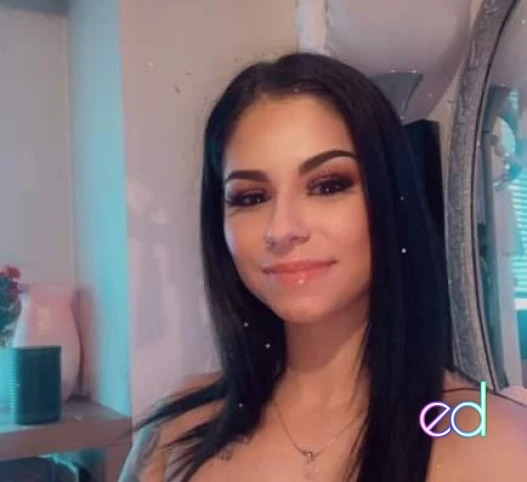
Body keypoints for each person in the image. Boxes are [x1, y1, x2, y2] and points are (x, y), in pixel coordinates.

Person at [118, 51, 527, 482]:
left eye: (328, 186)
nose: (281, 229)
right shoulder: (176, 436)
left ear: (389, 198)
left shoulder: (495, 441)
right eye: (251, 197)